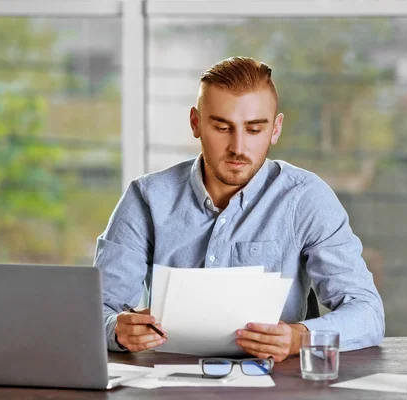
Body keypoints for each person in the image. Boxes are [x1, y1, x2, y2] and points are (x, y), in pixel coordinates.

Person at [93, 56, 384, 362]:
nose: (238, 148)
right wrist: (117, 330)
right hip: (168, 385)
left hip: (276, 386)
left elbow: (367, 314)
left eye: (254, 130)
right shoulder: (147, 198)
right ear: (196, 123)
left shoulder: (306, 199)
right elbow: (95, 311)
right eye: (222, 127)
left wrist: (300, 337)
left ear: (276, 128)